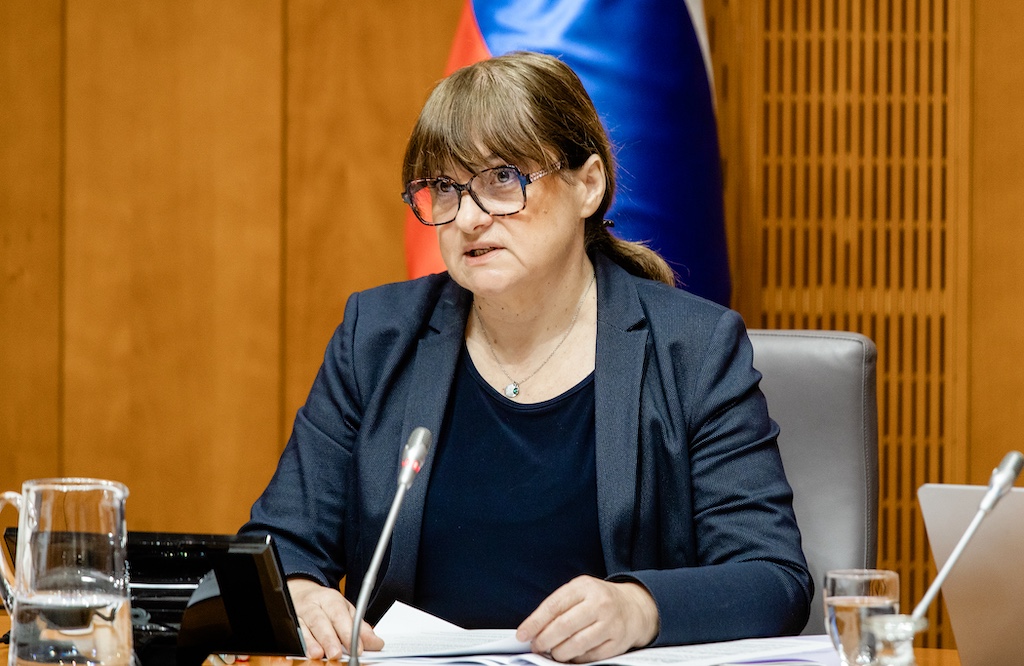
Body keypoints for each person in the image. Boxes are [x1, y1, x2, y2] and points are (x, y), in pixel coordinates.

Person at [241, 51, 812, 663]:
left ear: (588, 185)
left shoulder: (692, 348)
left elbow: (772, 578)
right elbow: (277, 543)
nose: (467, 218)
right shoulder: (377, 337)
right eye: (445, 190)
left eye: (501, 180)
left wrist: (640, 608)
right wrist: (299, 592)